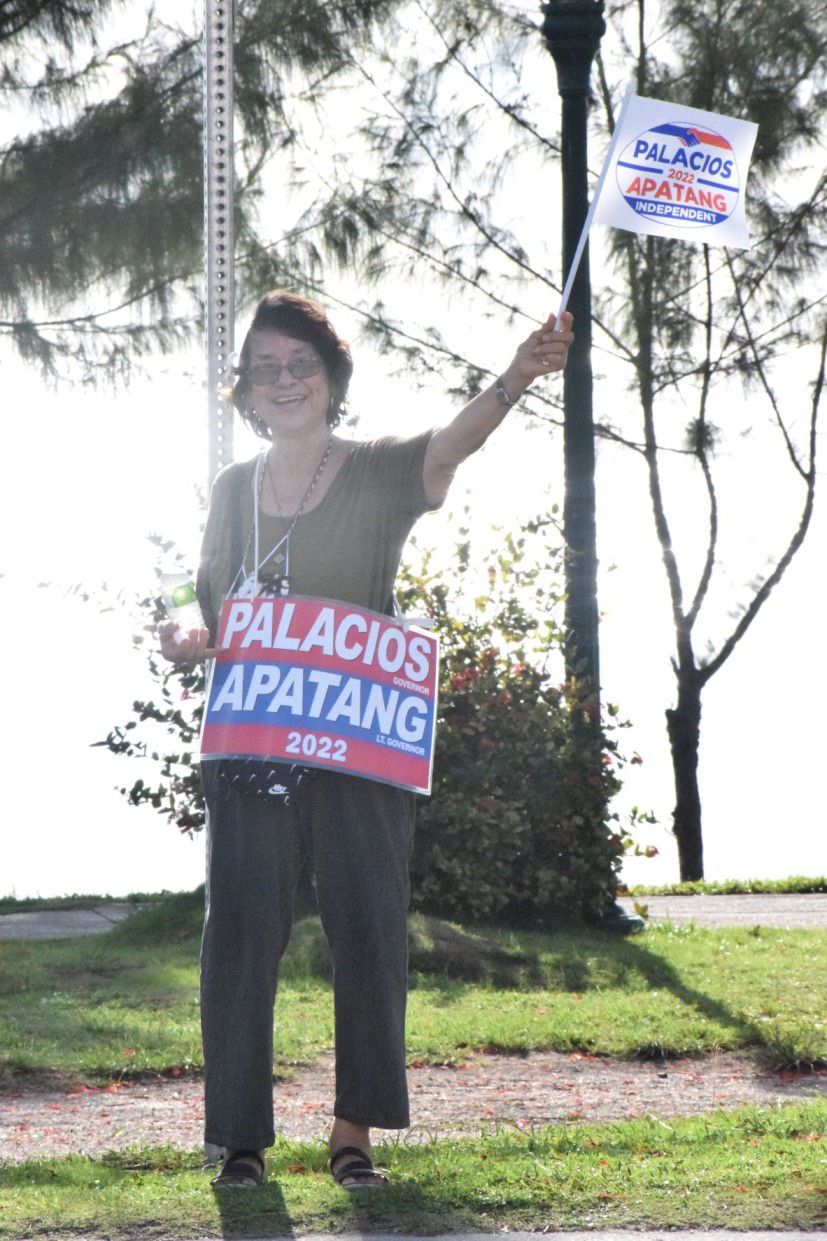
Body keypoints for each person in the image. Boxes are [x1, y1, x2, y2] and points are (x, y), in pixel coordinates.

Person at [160, 290, 573, 1190]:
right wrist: (190, 632)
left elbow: (449, 445)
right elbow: (209, 600)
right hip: (250, 746)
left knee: (369, 928)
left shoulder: (378, 471)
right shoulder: (231, 491)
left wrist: (516, 373)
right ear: (245, 388)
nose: (283, 380)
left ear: (331, 376)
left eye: (299, 364)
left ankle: (353, 1135)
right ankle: (240, 1141)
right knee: (238, 934)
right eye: (264, 368)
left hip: (361, 744)